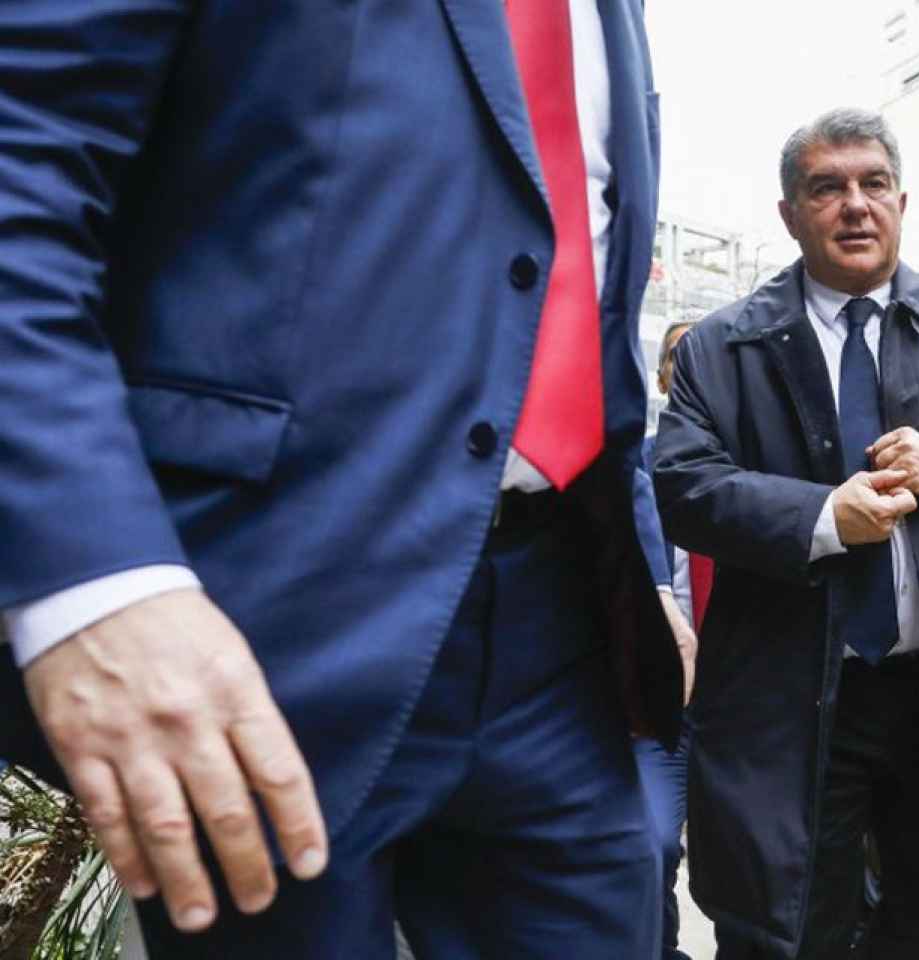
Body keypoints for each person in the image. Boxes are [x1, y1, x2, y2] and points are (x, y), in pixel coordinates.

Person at [0, 2, 686, 956]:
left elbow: (582, 298)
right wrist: (92, 576)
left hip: (558, 639)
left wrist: (646, 573)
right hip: (268, 623)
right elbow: (20, 170)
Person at [652, 108, 919, 960]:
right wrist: (822, 519)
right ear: (789, 213)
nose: (855, 205)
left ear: (902, 199)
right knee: (789, 925)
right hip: (790, 695)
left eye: (872, 184)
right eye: (827, 188)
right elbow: (684, 485)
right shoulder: (722, 346)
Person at [636, 319, 708, 960]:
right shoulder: (634, 466)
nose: (693, 369)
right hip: (662, 708)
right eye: (679, 359)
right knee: (650, 844)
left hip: (751, 705)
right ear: (661, 377)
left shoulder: (763, 465)